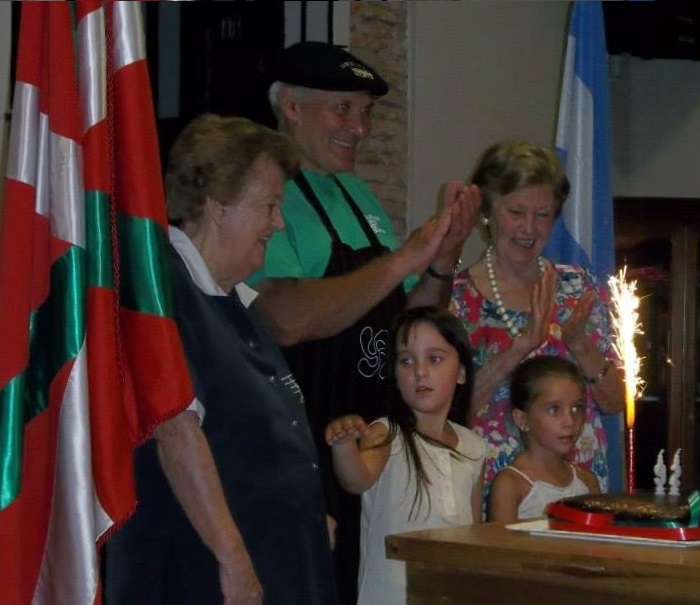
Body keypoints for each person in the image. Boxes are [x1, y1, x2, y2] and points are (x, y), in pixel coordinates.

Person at [250, 41, 480, 604]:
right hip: (302, 451)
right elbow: (283, 319)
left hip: (370, 453)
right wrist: (404, 257)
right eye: (343, 109)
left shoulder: (358, 196)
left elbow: (408, 324)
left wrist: (443, 258)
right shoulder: (266, 194)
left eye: (366, 111)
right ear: (291, 107)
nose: (360, 127)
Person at [104, 114, 336, 605]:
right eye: (270, 205)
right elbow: (176, 432)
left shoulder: (232, 302)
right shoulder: (161, 294)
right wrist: (234, 560)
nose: (278, 222)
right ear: (217, 205)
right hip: (200, 581)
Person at [449, 140, 624, 511]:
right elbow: (447, 411)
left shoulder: (579, 287)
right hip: (497, 490)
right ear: (487, 211)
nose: (529, 228)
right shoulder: (457, 301)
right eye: (516, 212)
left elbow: (613, 402)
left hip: (578, 486)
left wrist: (579, 344)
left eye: (543, 214)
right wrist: (519, 348)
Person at [324, 306, 484, 605]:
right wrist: (343, 445)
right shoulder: (386, 433)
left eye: (434, 359)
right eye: (406, 361)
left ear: (461, 372)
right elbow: (356, 479)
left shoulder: (474, 447)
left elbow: (472, 532)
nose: (420, 371)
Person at [488, 356, 601, 523]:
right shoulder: (511, 485)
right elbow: (500, 547)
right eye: (554, 409)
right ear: (522, 420)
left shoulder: (587, 482)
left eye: (577, 407)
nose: (570, 421)